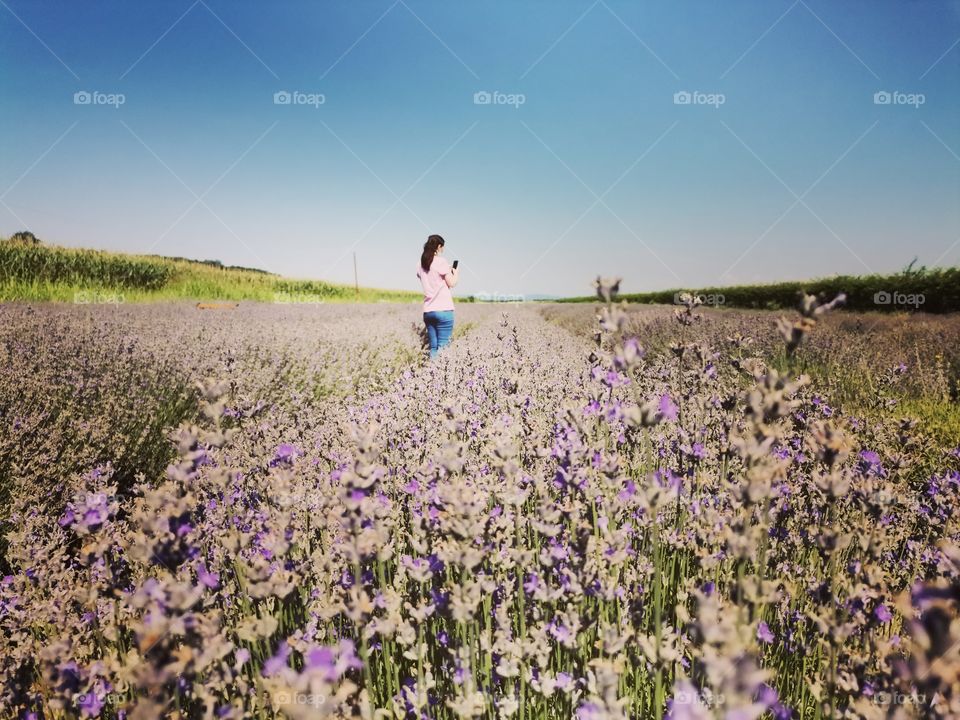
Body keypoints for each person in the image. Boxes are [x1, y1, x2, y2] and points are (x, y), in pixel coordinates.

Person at [416, 234, 459, 359]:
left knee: (434, 348)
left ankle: (431, 374)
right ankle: (440, 377)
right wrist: (455, 273)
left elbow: (427, 276)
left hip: (428, 311)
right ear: (439, 246)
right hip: (444, 310)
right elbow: (451, 283)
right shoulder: (441, 262)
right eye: (442, 248)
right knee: (444, 347)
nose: (442, 251)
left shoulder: (420, 264)